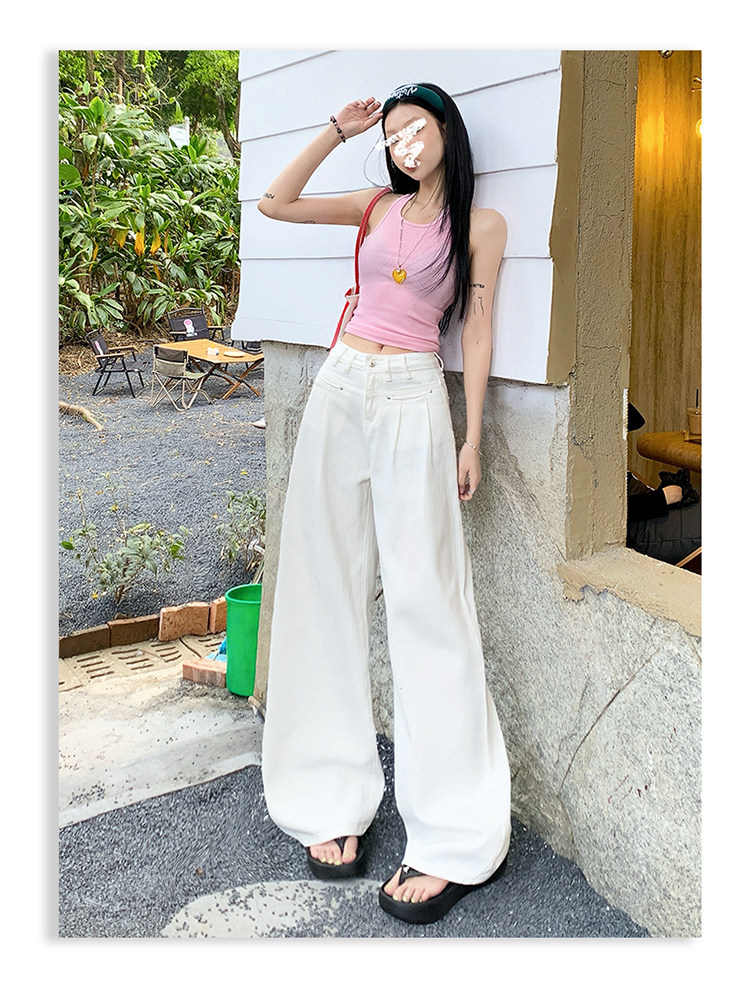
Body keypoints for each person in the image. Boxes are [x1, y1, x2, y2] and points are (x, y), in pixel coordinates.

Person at [257, 83, 511, 925]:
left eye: (415, 127)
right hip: (341, 386)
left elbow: (476, 331)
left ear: (444, 130)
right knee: (321, 585)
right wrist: (338, 130)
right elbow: (276, 202)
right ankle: (326, 794)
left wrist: (473, 436)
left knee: (427, 601)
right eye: (393, 133)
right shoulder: (373, 206)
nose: (403, 143)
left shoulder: (480, 226)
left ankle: (453, 833)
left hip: (412, 395)